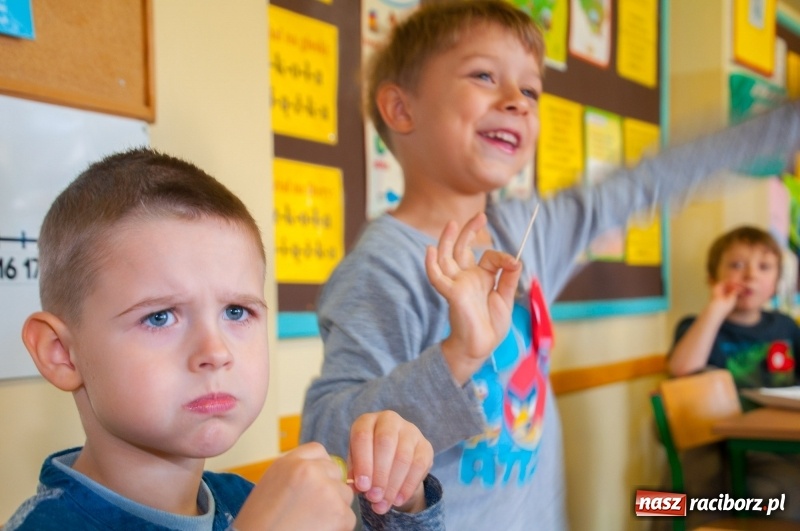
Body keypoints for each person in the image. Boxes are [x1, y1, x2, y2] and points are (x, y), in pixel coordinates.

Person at [299, 0, 800, 529]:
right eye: (484, 75)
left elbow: (652, 178)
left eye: (531, 90)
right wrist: (456, 358)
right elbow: (330, 434)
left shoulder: (524, 231)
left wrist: (785, 126)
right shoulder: (384, 265)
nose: (517, 101)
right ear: (402, 110)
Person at [4, 148, 444, 531]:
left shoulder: (247, 502)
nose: (215, 352)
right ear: (61, 353)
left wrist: (403, 506)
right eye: (160, 317)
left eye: (236, 312)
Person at [664, 225, 800, 524]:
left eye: (764, 267)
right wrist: (716, 309)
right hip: (716, 445)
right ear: (713, 278)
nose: (750, 275)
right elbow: (682, 368)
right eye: (737, 265)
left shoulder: (786, 327)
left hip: (775, 444)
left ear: (777, 281)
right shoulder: (696, 326)